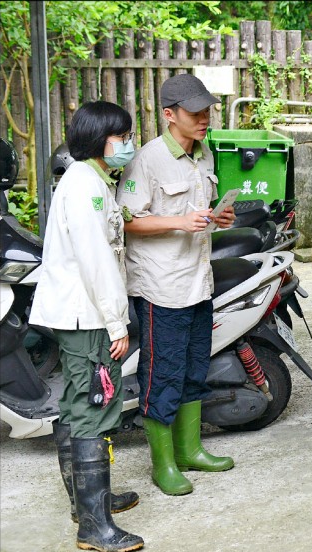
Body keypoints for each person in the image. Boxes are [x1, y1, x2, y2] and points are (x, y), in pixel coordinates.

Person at [29, 101, 144, 552]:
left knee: (81, 401)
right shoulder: (86, 188)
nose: (128, 144)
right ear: (101, 139)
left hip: (78, 311)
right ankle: (95, 527)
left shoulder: (89, 180)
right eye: (122, 137)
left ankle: (87, 503)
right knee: (97, 403)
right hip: (89, 314)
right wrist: (117, 323)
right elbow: (97, 261)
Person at [116, 74, 235, 496]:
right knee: (161, 375)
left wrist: (217, 218)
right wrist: (179, 222)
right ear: (169, 115)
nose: (204, 118)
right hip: (161, 287)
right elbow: (126, 222)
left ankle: (190, 450)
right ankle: (163, 464)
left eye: (207, 110)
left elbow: (196, 211)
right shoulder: (147, 160)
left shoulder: (204, 156)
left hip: (197, 281)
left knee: (193, 369)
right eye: (194, 112)